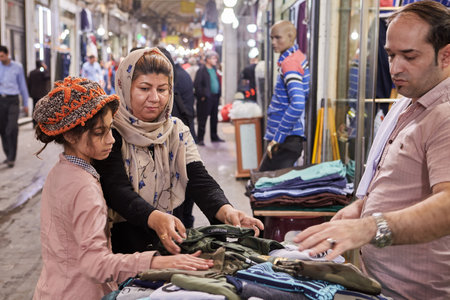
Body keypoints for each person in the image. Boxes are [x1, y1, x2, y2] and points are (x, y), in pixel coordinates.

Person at [294, 2, 450, 299]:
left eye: (409, 56)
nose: (394, 67)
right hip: (384, 284)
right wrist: (360, 209)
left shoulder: (445, 113)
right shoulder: (411, 99)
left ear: (446, 55)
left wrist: (369, 227)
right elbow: (399, 180)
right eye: (390, 54)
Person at [32, 77, 214, 299]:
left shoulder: (60, 172)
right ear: (70, 135)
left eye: (110, 129)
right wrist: (161, 262)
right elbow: (96, 264)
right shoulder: (84, 187)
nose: (110, 140)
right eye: (100, 133)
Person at [92, 48, 264, 255]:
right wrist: (156, 218)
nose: (155, 98)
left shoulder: (176, 130)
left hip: (173, 241)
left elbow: (198, 178)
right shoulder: (110, 131)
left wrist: (227, 210)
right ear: (125, 85)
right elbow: (117, 189)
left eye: (162, 89)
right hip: (124, 246)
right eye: (144, 88)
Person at [258, 20, 310, 171]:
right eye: (271, 38)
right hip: (288, 139)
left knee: (262, 187)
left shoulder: (290, 63)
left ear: (291, 36)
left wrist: (278, 137)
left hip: (286, 140)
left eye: (278, 38)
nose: (273, 42)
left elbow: (298, 103)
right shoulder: (296, 57)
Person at [0, 45, 29, 168]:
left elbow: (22, 85)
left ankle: (12, 156)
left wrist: (26, 103)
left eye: (2, 56)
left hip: (13, 100)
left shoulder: (17, 67)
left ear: (7, 54)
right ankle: (8, 156)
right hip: (1, 100)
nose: (0, 58)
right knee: (2, 129)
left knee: (11, 128)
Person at [194, 50, 224, 145]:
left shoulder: (215, 69)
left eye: (216, 58)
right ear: (207, 59)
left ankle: (214, 136)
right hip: (206, 99)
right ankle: (200, 138)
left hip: (215, 97)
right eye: (213, 58)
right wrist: (202, 96)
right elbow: (197, 85)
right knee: (202, 119)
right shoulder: (201, 70)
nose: (216, 60)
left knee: (214, 118)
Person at [27, 60, 50, 127]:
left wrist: (30, 93)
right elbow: (48, 77)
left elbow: (28, 83)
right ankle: (41, 122)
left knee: (35, 107)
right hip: (42, 94)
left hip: (34, 94)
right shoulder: (42, 72)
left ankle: (34, 122)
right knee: (42, 108)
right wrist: (45, 68)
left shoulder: (31, 72)